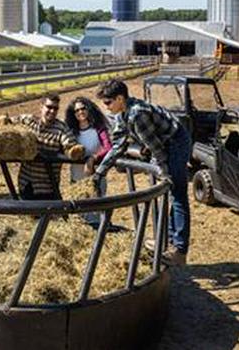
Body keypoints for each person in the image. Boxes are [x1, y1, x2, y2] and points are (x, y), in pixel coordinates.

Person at [92, 80, 191, 266]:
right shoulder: (122, 114)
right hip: (164, 142)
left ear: (120, 98)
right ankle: (168, 242)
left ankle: (180, 250)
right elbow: (118, 146)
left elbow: (157, 148)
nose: (106, 107)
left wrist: (164, 170)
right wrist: (100, 171)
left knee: (177, 193)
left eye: (108, 102)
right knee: (168, 193)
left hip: (176, 141)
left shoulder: (137, 114)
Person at [16, 93, 83, 200]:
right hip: (27, 182)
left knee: (47, 215)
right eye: (49, 107)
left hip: (47, 186)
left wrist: (73, 151)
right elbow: (8, 124)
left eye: (55, 108)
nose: (52, 111)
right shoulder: (28, 121)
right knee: (29, 214)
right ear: (41, 106)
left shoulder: (61, 128)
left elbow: (69, 144)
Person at [64, 97, 112, 225]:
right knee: (80, 213)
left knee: (97, 211)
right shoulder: (70, 131)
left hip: (96, 178)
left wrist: (93, 158)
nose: (80, 112)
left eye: (83, 108)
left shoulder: (98, 128)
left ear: (88, 109)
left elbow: (108, 147)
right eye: (77, 110)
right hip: (77, 178)